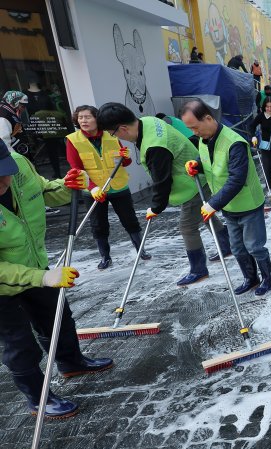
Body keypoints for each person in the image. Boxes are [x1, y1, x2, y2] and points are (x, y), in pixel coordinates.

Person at [0, 140, 113, 417]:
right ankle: (39, 398)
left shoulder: (19, 166)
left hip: (34, 263)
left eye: (5, 171)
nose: (3, 181)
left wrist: (68, 185)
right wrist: (43, 277)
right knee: (19, 343)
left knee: (58, 317)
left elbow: (43, 191)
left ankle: (71, 362)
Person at [96, 102, 232, 287]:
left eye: (113, 133)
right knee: (204, 215)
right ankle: (226, 245)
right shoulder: (147, 121)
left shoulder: (154, 146)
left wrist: (155, 208)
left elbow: (162, 181)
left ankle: (199, 270)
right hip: (198, 174)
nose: (115, 137)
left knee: (187, 227)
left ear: (123, 128)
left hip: (192, 183)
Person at [180, 99, 271, 296]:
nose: (194, 132)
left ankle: (267, 278)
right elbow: (210, 161)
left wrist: (212, 204)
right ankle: (250, 278)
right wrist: (196, 165)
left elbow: (236, 179)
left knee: (254, 246)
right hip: (229, 206)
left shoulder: (234, 143)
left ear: (208, 118)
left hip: (248, 204)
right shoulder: (204, 140)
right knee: (237, 248)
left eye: (195, 127)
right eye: (190, 129)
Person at [66, 105, 149, 270]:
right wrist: (92, 188)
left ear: (97, 119)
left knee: (130, 221)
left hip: (118, 187)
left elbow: (124, 162)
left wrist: (126, 157)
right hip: (94, 191)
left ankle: (141, 250)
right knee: (98, 225)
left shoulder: (111, 134)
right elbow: (76, 169)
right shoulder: (73, 140)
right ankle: (105, 257)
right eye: (80, 118)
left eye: (87, 117)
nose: (83, 121)